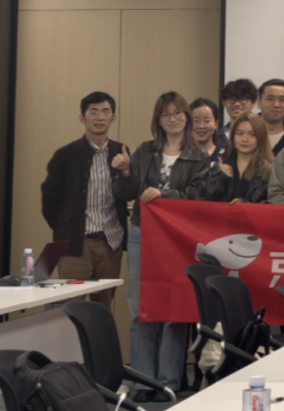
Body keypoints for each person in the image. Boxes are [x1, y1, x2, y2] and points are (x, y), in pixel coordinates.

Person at [114, 92, 208, 399]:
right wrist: (125, 172)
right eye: (166, 114)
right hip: (143, 231)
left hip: (179, 237)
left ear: (186, 117)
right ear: (158, 120)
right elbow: (126, 193)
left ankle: (168, 381)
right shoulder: (144, 151)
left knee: (175, 309)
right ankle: (143, 382)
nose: (172, 119)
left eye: (177, 113)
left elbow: (200, 196)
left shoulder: (198, 155)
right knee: (142, 306)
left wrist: (166, 195)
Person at [41, 92, 129, 308]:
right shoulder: (65, 154)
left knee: (103, 308)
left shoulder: (121, 152)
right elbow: (49, 199)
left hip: (111, 243)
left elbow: (129, 192)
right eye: (93, 112)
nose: (99, 117)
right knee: (72, 307)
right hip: (75, 246)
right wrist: (66, 227)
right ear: (82, 118)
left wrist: (127, 171)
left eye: (105, 112)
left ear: (113, 118)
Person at [203, 111, 275, 204]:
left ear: (261, 137)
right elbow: (205, 200)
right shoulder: (220, 165)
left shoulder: (270, 171)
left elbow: (273, 206)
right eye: (240, 133)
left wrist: (245, 206)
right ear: (233, 136)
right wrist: (220, 178)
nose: (244, 139)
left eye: (252, 134)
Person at [258, 79, 284, 155]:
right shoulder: (242, 135)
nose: (276, 105)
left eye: (282, 100)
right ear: (259, 103)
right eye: (270, 99)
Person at [215, 78, 257, 150]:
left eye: (243, 99)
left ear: (253, 103)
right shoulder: (216, 138)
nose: (237, 104)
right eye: (232, 99)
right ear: (224, 103)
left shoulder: (261, 134)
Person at [189, 97, 223, 169]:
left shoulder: (225, 155)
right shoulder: (181, 155)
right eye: (195, 121)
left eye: (207, 121)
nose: (201, 126)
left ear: (216, 124)